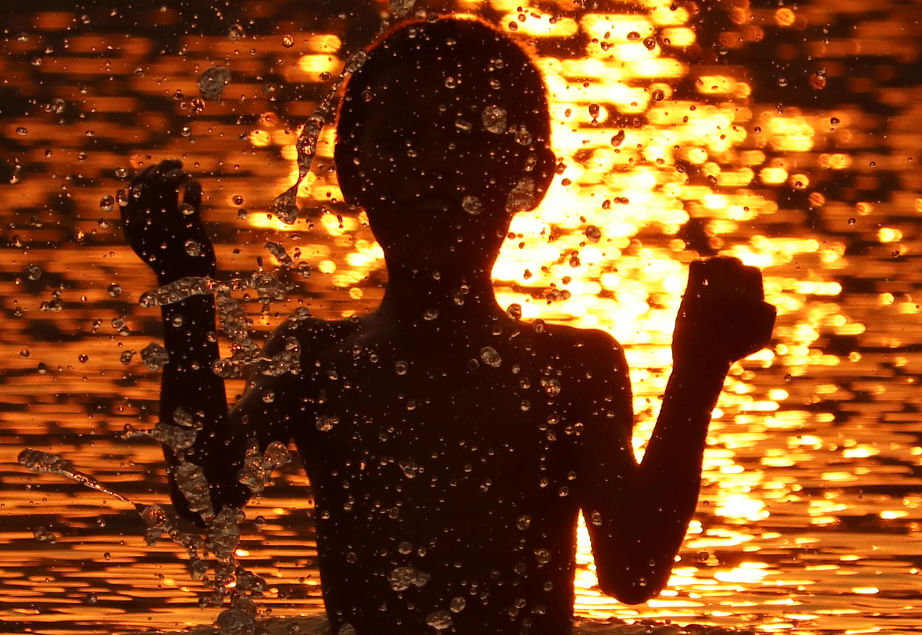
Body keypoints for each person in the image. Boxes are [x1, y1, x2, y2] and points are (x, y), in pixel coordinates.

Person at [121, 17, 776, 635]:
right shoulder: (314, 358)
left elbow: (632, 570)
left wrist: (698, 367)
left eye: (473, 138)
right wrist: (185, 295)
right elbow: (201, 497)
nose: (436, 166)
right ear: (351, 168)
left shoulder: (571, 365)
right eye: (406, 137)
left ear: (532, 178)